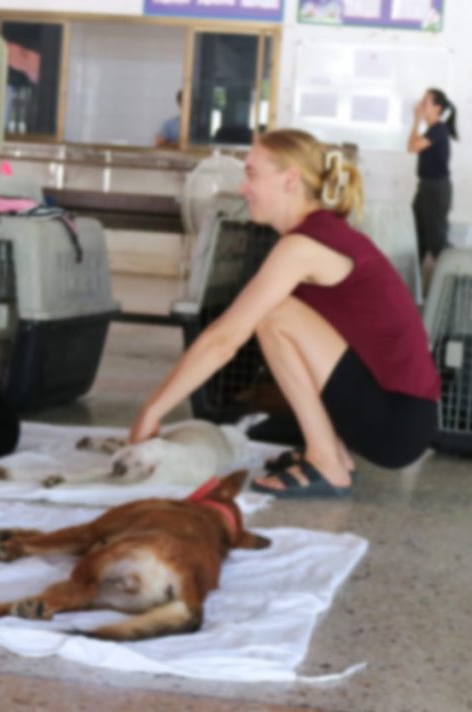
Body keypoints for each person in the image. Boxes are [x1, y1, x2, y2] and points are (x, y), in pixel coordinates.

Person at [128, 129, 440, 498]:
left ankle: (327, 461)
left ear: (290, 178)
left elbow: (223, 341)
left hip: (396, 423)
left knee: (274, 315)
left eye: (252, 174)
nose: (244, 187)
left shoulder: (303, 246)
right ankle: (330, 453)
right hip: (403, 416)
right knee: (276, 313)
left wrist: (152, 410)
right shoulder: (321, 233)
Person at [408, 88, 457, 265]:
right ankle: (416, 286)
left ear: (437, 108)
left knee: (437, 243)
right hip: (425, 187)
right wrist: (417, 121)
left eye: (425, 102)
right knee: (417, 235)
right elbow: (411, 146)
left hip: (436, 189)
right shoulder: (431, 130)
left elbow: (413, 147)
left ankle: (462, 268)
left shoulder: (439, 130)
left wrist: (416, 120)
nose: (421, 105)